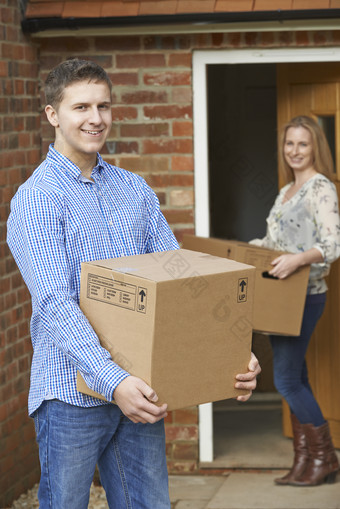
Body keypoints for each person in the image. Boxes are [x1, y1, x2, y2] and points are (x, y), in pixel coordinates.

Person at [7, 58, 261, 509]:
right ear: (53, 115)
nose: (95, 119)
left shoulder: (133, 190)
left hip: (141, 390)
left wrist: (232, 353)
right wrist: (112, 380)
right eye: (80, 107)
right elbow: (55, 304)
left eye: (103, 106)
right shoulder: (37, 199)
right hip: (71, 394)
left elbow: (181, 283)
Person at [250, 115, 340, 487]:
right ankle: (304, 461)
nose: (295, 151)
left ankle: (326, 458)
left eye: (303, 144)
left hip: (305, 295)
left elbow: (333, 244)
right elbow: (274, 243)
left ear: (315, 146)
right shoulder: (286, 190)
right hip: (279, 294)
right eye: (290, 144)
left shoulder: (321, 189)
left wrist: (298, 259)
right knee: (296, 375)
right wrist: (249, 251)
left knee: (286, 380)